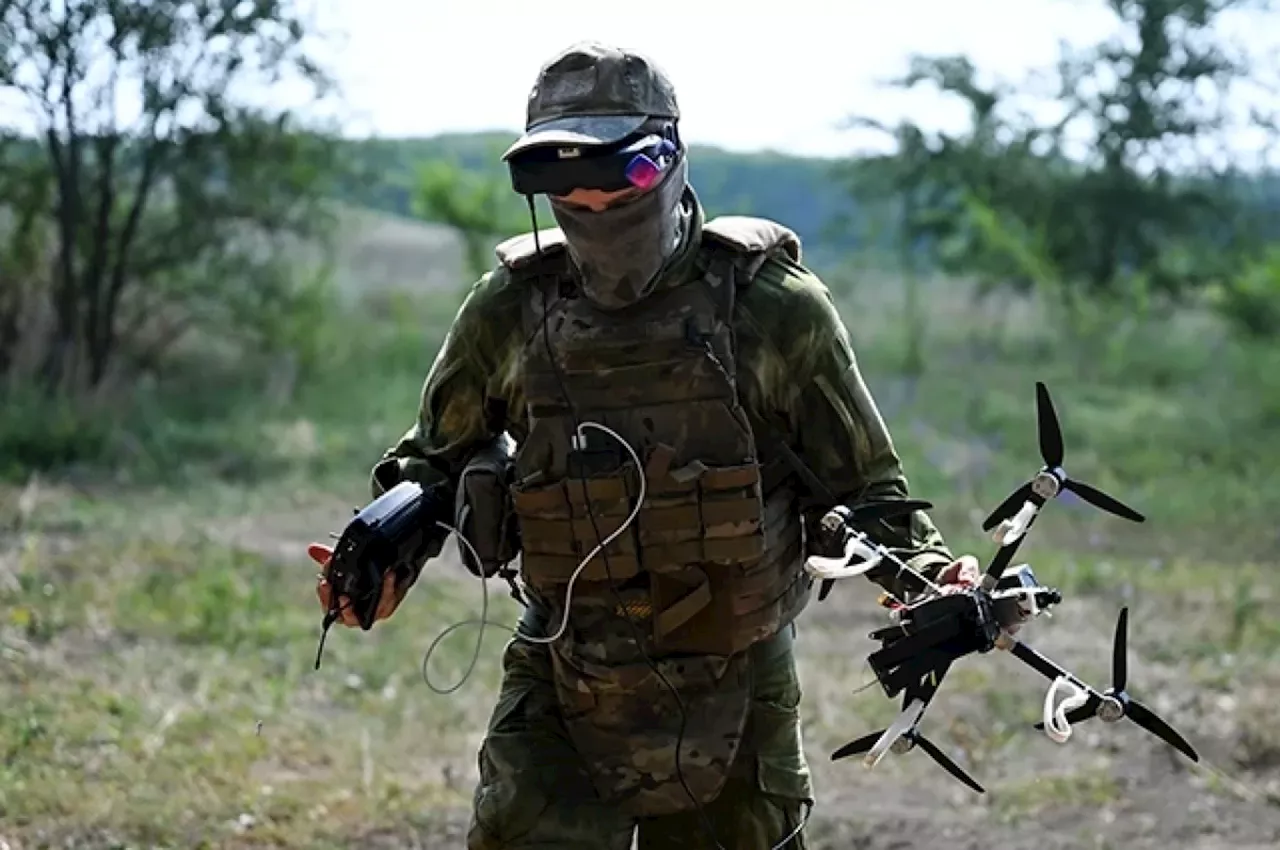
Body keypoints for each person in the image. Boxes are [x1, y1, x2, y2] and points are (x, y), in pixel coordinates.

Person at [309, 41, 981, 850]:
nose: (591, 200)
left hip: (733, 680)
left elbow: (867, 488)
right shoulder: (512, 310)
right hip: (566, 666)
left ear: (667, 159)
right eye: (562, 179)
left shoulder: (770, 308)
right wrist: (385, 553)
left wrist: (936, 578)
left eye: (616, 174)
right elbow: (436, 460)